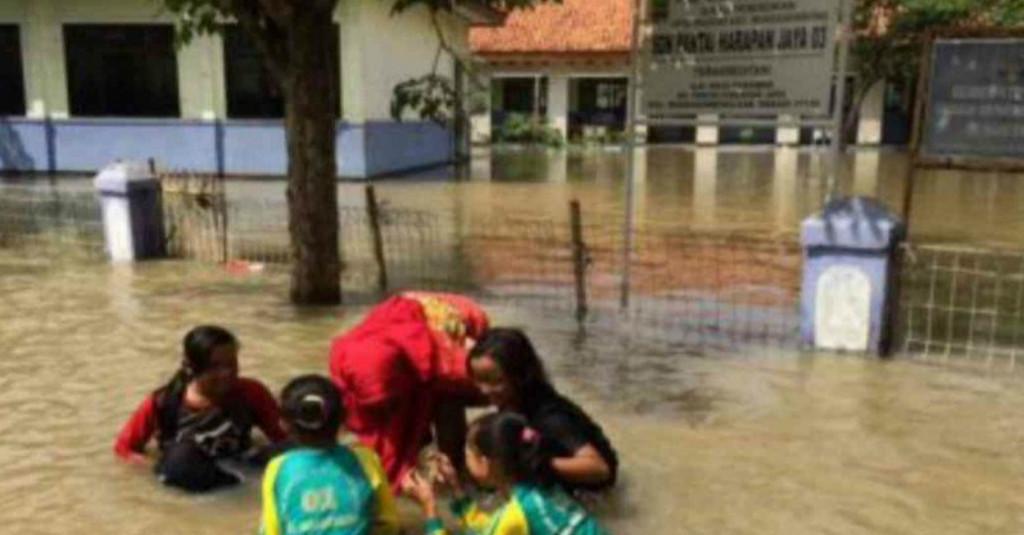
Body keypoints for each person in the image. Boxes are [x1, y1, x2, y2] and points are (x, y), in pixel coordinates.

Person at [329, 292, 489, 492]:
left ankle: (454, 476)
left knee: (446, 403)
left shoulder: (448, 362)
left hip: (451, 321)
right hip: (400, 331)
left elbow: (498, 387)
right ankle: (421, 454)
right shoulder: (346, 364)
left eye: (388, 402)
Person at [114, 325, 286, 492]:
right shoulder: (164, 402)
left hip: (240, 466)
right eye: (215, 366)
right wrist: (159, 470)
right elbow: (124, 448)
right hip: (193, 474)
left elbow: (282, 435)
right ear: (192, 367)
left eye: (231, 364)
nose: (226, 373)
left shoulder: (251, 392)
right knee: (180, 459)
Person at [467, 328, 618, 493]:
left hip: (588, 491)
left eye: (493, 381)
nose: (484, 390)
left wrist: (534, 465)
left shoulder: (551, 416)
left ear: (521, 375)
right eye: (478, 380)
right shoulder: (510, 399)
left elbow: (600, 469)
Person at [407, 412, 608, 535]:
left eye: (467, 453)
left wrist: (430, 510)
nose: (463, 460)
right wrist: (457, 490)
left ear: (485, 463)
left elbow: (501, 526)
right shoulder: (544, 487)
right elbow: (490, 530)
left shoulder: (515, 515)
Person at [260, 374, 399, 535]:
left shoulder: (278, 467)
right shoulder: (366, 459)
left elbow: (271, 531)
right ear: (344, 416)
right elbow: (390, 525)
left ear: (284, 424)